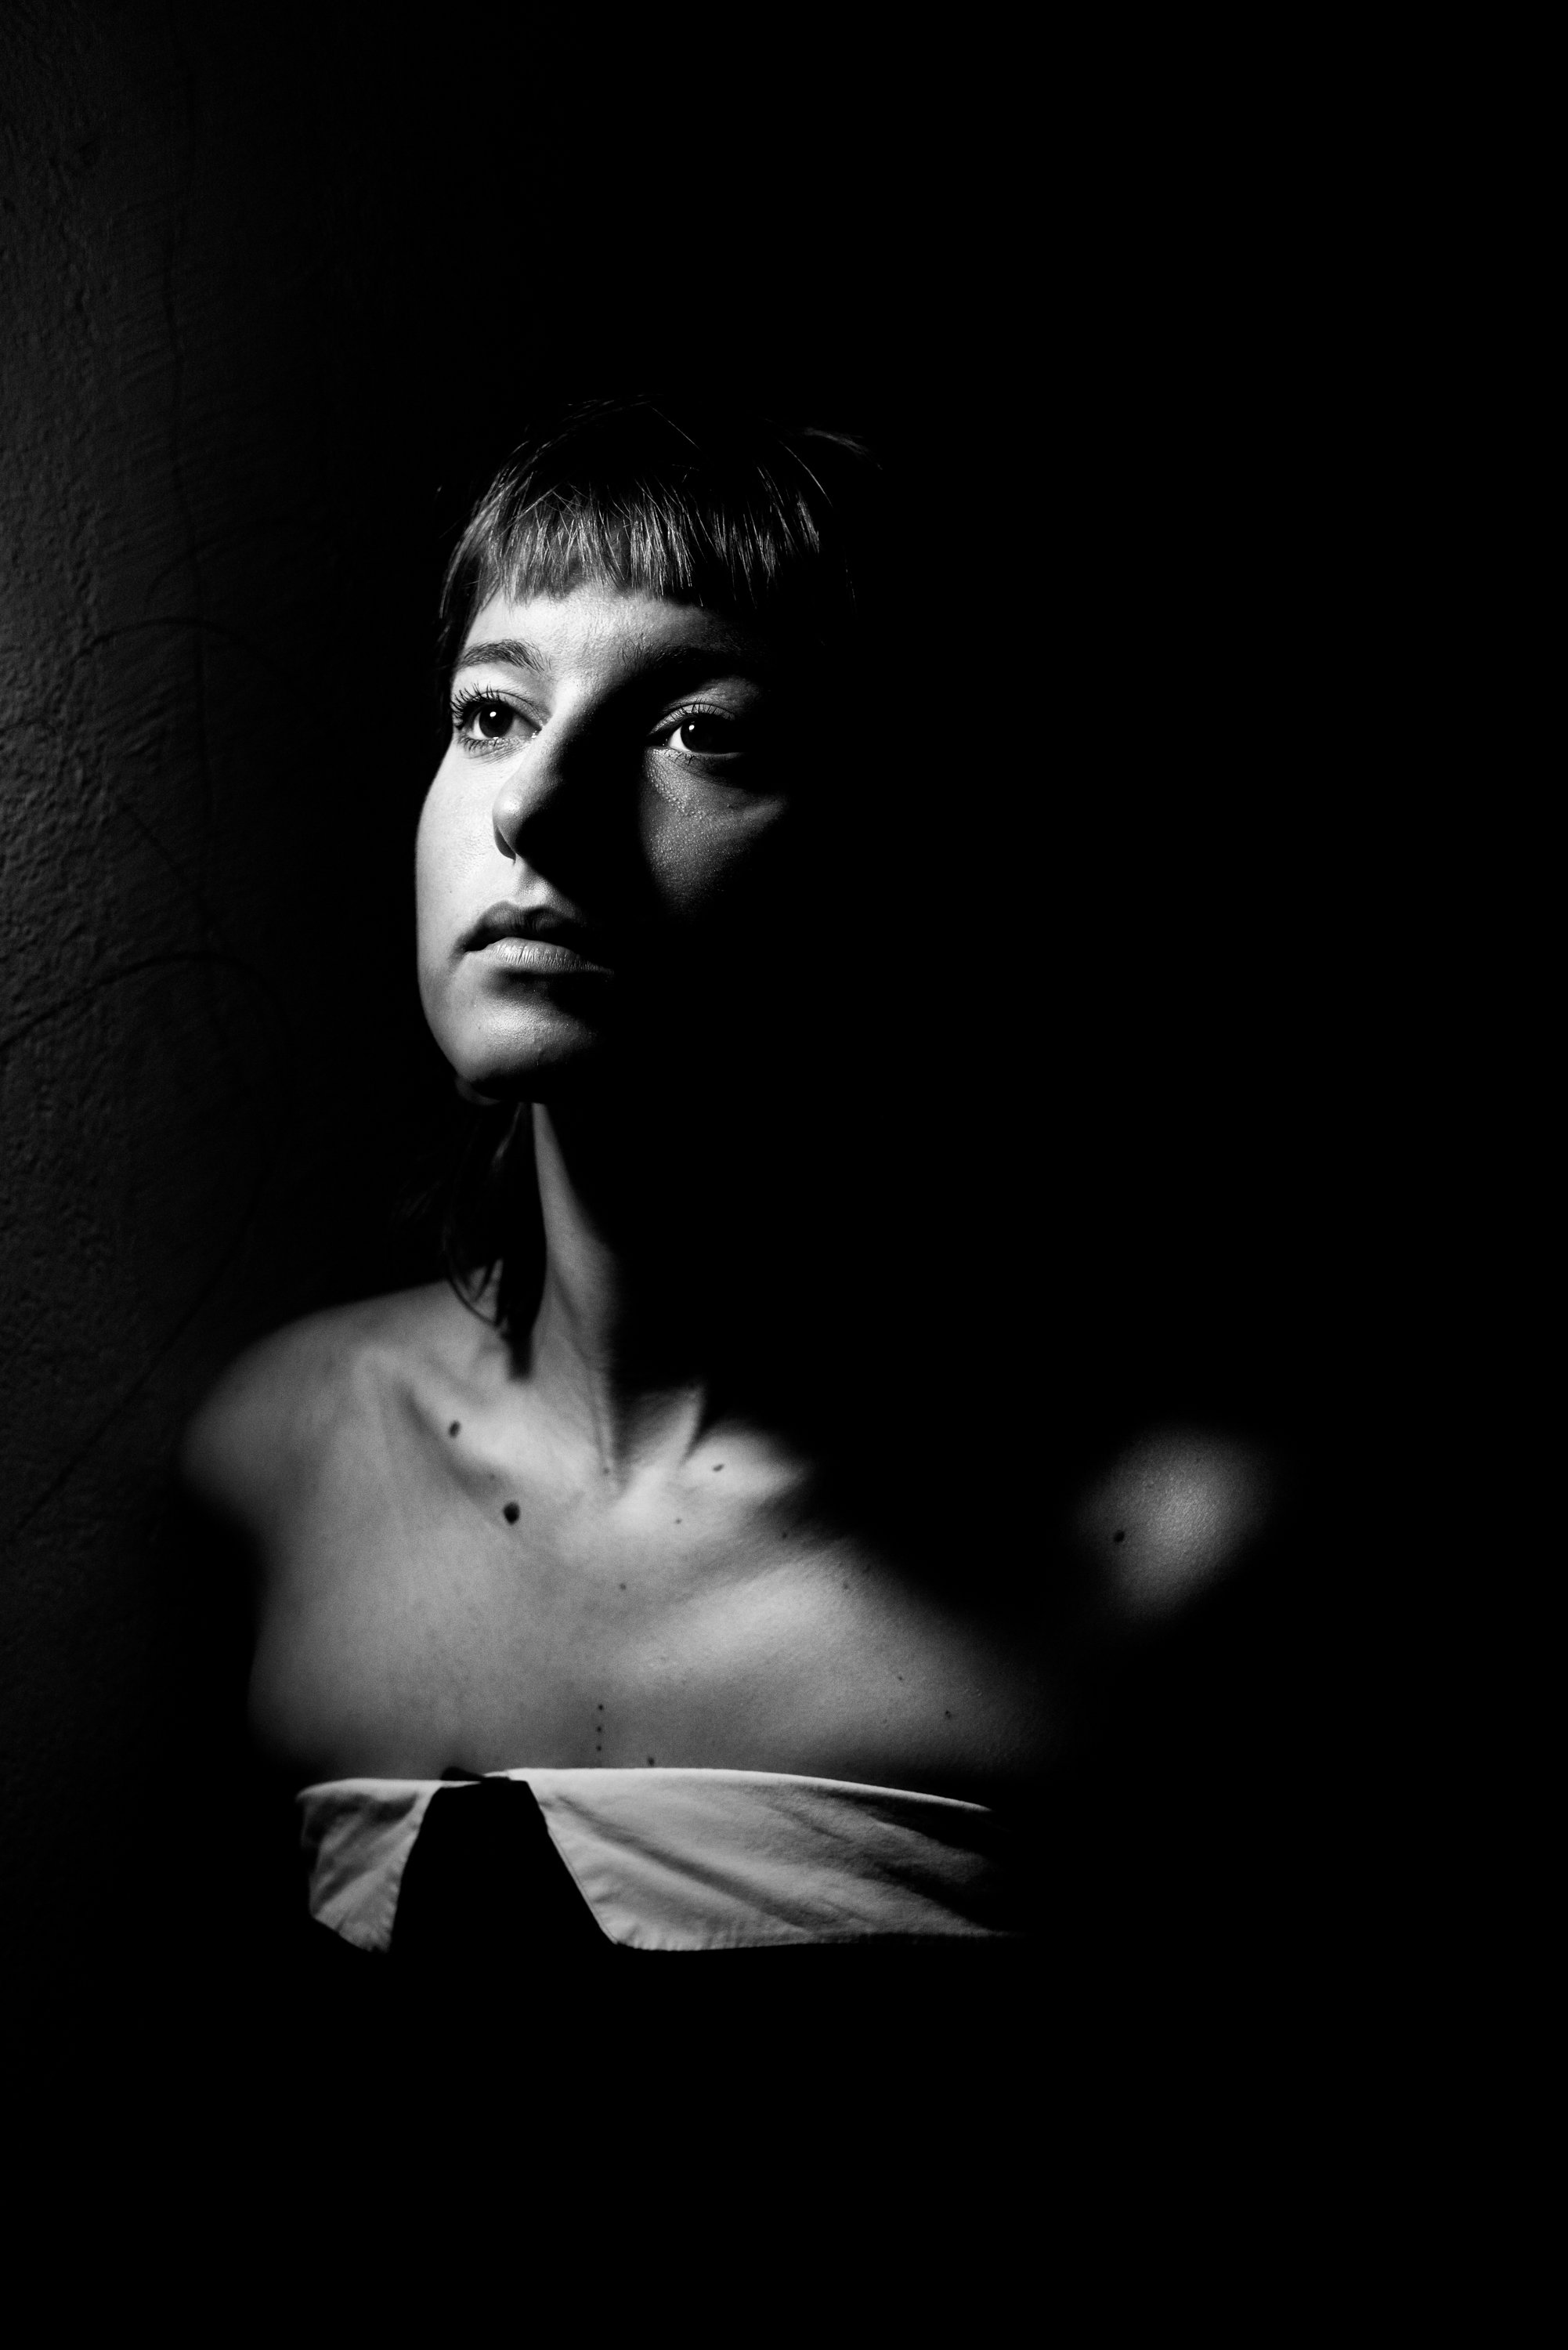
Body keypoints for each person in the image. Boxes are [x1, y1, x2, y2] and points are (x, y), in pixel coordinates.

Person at [179, 399, 1292, 2086]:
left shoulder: (1170, 1545)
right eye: (490, 711)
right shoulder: (274, 1462)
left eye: (698, 731)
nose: (536, 811)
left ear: (901, 850)